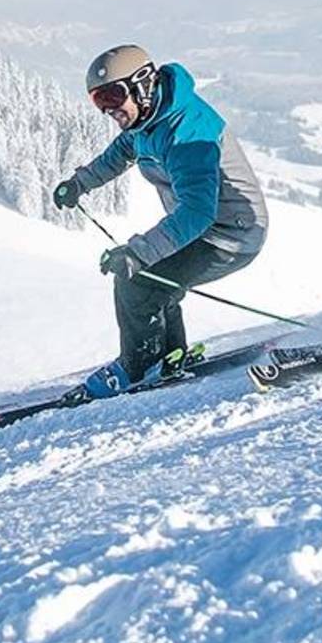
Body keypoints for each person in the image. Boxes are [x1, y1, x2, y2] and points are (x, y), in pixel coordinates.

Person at [53, 45, 269, 397]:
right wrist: (80, 183)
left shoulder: (189, 134)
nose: (108, 109)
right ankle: (169, 356)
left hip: (230, 234)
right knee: (157, 283)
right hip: (208, 227)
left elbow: (198, 212)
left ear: (142, 85)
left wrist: (137, 253)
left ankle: (141, 367)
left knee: (138, 282)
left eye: (112, 95)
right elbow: (121, 153)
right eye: (98, 99)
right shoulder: (147, 120)